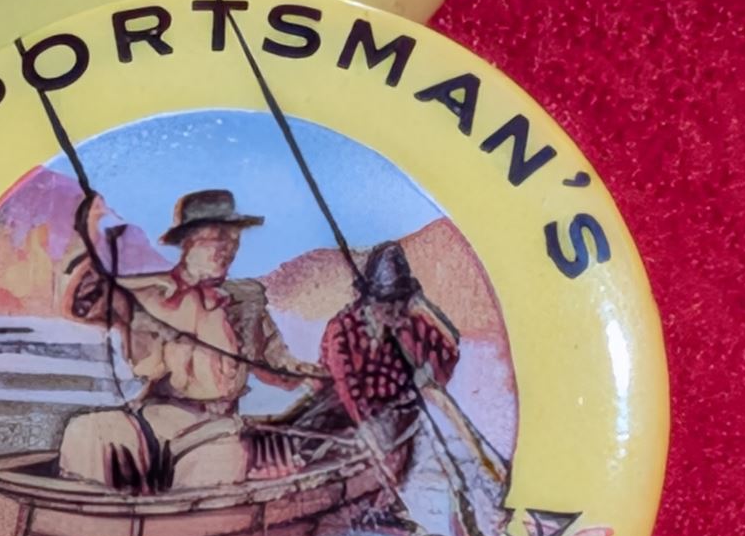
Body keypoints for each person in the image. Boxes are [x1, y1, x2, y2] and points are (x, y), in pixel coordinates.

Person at [58, 188, 319, 491]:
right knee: (86, 432)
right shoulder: (148, 294)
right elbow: (80, 304)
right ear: (188, 241)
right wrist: (90, 236)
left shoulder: (247, 301)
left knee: (220, 461)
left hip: (214, 429)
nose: (228, 249)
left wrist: (306, 373)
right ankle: (86, 515)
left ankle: (183, 519)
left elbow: (277, 364)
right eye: (217, 238)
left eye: (234, 239)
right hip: (153, 419)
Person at [318, 241, 460, 437]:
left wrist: (425, 309)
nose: (396, 311)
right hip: (349, 428)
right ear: (369, 301)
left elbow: (449, 350)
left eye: (402, 302)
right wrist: (371, 427)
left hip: (408, 422)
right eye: (388, 304)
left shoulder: (410, 324)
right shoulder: (342, 330)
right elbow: (346, 388)